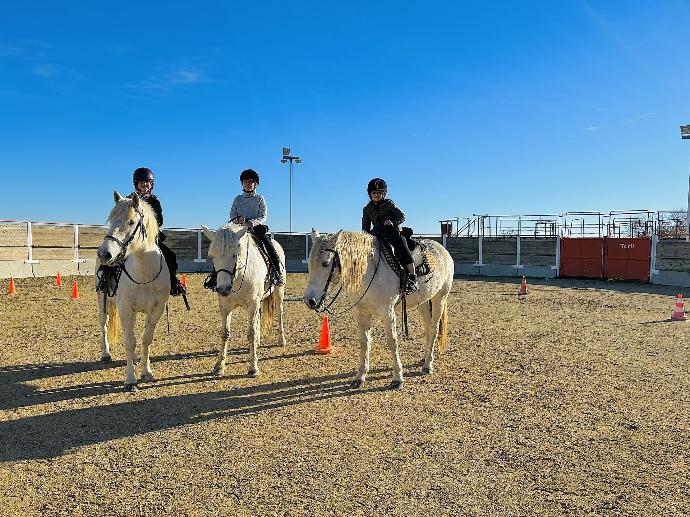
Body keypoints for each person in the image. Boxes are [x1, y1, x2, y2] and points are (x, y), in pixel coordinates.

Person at [132, 167, 187, 296]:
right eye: (142, 184)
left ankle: (173, 283)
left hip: (151, 237)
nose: (145, 187)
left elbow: (160, 221)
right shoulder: (130, 200)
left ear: (151, 185)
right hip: (133, 237)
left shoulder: (154, 201)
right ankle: (106, 279)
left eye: (147, 184)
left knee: (170, 256)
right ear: (137, 185)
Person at [362, 177, 418, 294]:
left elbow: (402, 216)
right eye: (374, 193)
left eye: (379, 193)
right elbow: (365, 227)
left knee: (402, 248)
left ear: (384, 194)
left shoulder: (389, 204)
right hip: (377, 234)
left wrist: (392, 222)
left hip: (392, 232)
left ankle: (412, 278)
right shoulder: (367, 209)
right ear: (370, 194)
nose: (376, 195)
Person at [229, 168, 284, 286]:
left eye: (250, 182)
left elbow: (263, 216)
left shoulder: (260, 199)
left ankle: (277, 273)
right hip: (239, 229)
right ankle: (217, 276)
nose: (247, 184)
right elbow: (232, 215)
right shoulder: (237, 199)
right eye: (245, 182)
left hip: (255, 230)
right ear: (242, 184)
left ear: (256, 184)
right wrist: (238, 220)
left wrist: (251, 223)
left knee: (269, 245)